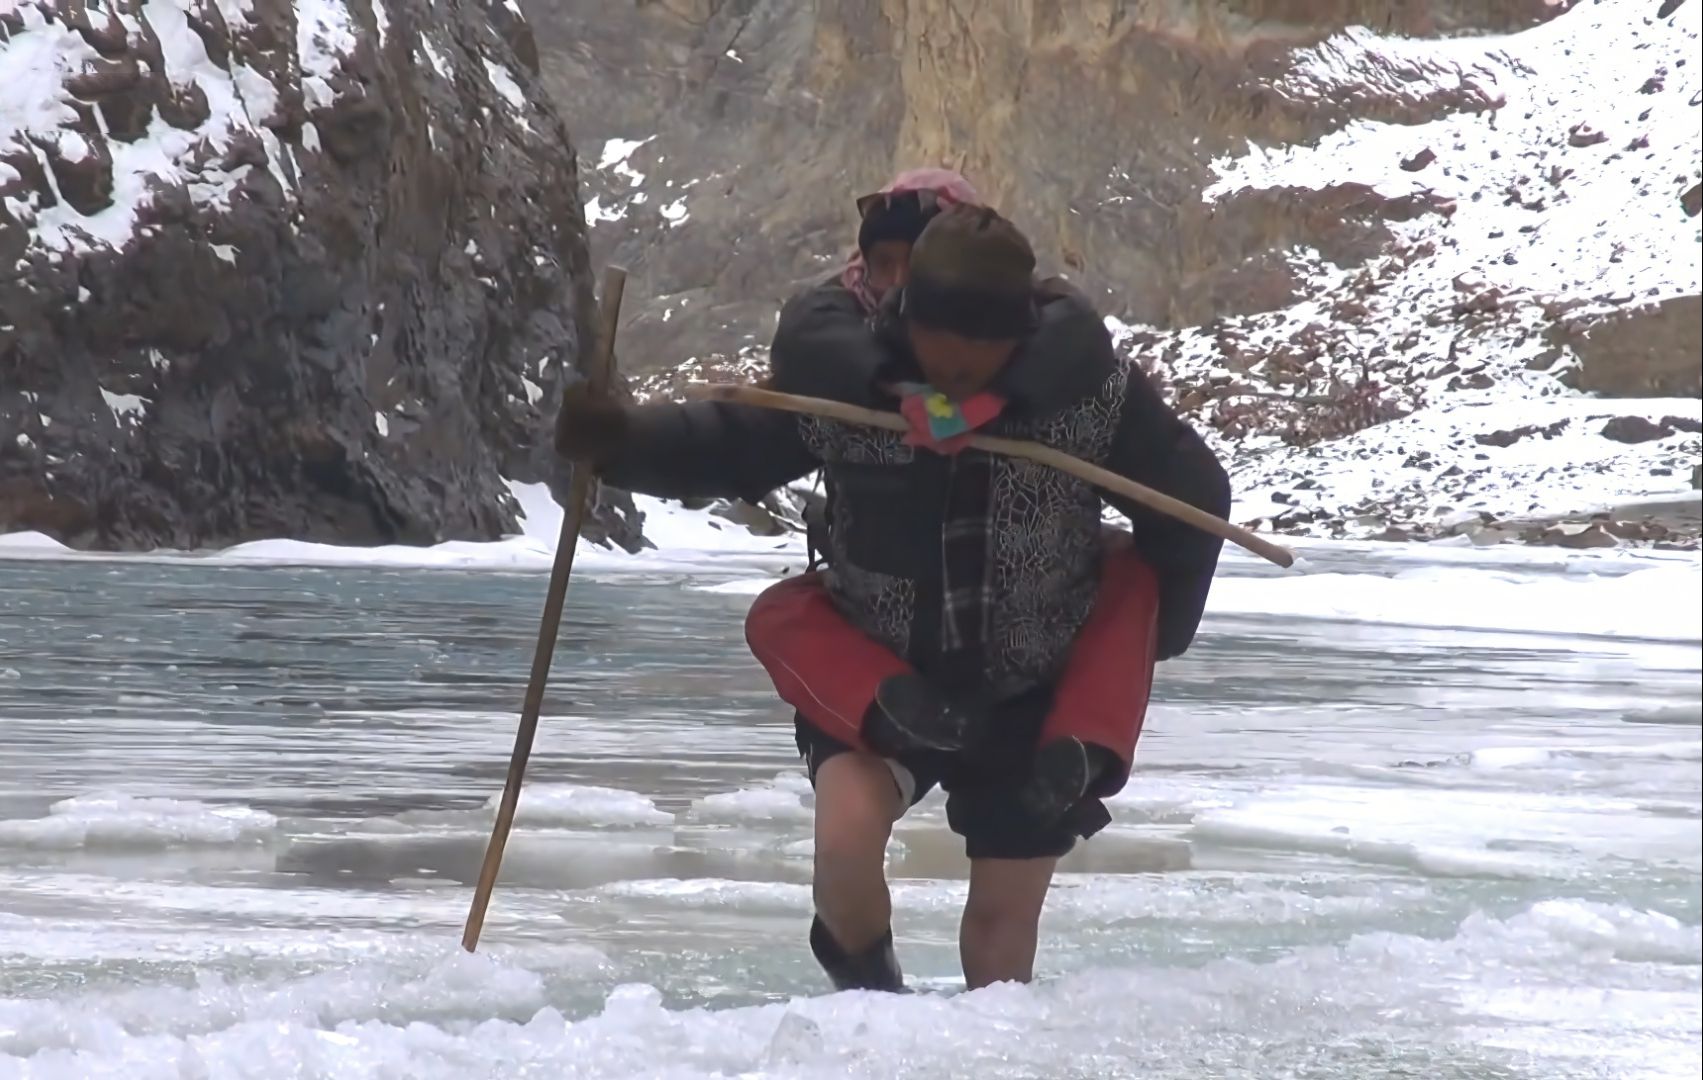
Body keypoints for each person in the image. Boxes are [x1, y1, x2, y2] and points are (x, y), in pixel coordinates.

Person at [555, 205, 1231, 993]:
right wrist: (620, 444)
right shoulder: (850, 387)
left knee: (1000, 925)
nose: (960, 365)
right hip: (876, 671)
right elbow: (727, 444)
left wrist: (1146, 634)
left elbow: (1192, 497)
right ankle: (872, 1004)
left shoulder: (1088, 396)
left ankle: (989, 1054)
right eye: (944, 340)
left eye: (987, 347)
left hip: (1033, 690)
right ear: (905, 313)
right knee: (843, 849)